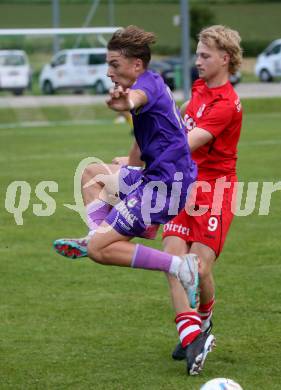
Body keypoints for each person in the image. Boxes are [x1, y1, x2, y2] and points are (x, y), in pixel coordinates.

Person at [53, 26, 206, 373]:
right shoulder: (151, 85)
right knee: (91, 173)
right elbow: (141, 141)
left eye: (114, 64)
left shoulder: (145, 87)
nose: (109, 71)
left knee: (99, 252)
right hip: (158, 179)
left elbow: (135, 100)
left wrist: (126, 103)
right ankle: (99, 231)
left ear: (136, 65)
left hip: (165, 187)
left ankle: (180, 266)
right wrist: (128, 169)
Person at [161, 25, 243, 375]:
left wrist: (139, 161)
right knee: (172, 262)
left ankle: (204, 320)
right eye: (197, 54)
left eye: (205, 56)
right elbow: (178, 126)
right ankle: (191, 334)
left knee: (198, 268)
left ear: (225, 59)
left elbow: (185, 144)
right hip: (184, 186)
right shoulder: (198, 89)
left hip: (214, 190)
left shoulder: (226, 104)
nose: (198, 61)